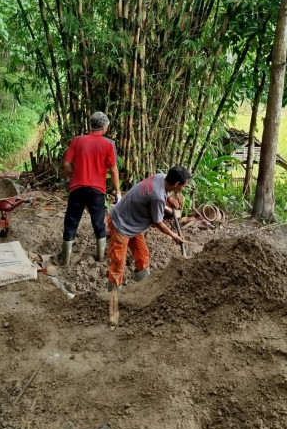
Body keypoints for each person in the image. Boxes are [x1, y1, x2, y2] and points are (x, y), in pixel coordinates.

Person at [107, 164, 190, 326]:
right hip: (121, 224)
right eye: (184, 185)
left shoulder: (161, 177)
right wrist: (174, 235)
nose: (184, 188)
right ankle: (113, 303)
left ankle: (145, 292)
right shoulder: (157, 197)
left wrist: (169, 200)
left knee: (143, 256)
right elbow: (158, 222)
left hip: (134, 223)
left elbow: (159, 196)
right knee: (118, 264)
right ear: (176, 184)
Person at [59, 111, 120, 267]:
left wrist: (68, 177)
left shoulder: (77, 141)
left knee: (71, 221)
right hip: (97, 190)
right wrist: (117, 190)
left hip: (77, 188)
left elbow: (66, 163)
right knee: (98, 222)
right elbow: (113, 169)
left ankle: (65, 259)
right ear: (105, 127)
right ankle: (100, 257)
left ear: (90, 125)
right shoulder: (108, 144)